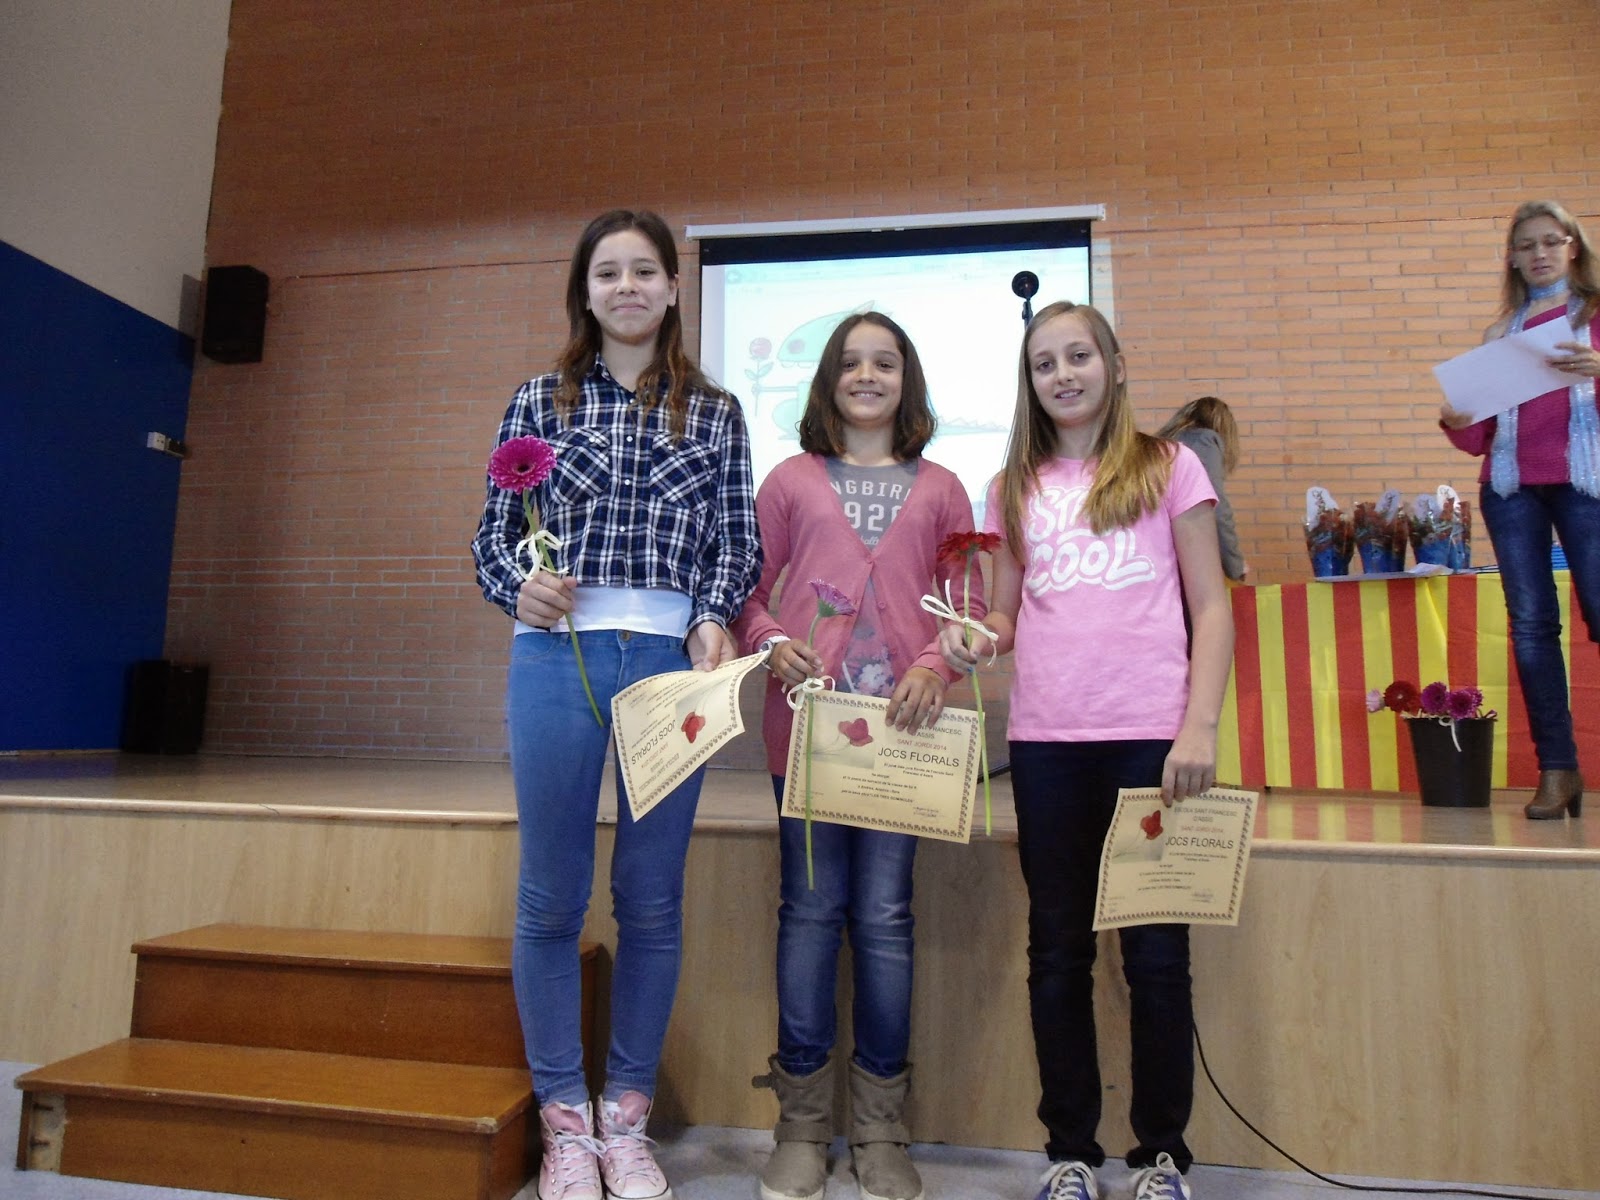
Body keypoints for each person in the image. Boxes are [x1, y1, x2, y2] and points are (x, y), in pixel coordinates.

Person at [471, 208, 762, 1200]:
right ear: (585, 292)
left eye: (645, 270)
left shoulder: (715, 410)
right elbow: (492, 534)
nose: (627, 286)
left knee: (650, 895)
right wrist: (519, 584)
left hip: (671, 668)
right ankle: (566, 1123)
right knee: (551, 896)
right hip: (555, 659)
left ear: (675, 289)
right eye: (608, 272)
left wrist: (713, 615)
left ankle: (626, 1120)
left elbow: (735, 538)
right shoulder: (536, 399)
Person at [941, 301, 1233, 1200]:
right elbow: (1005, 614)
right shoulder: (1011, 485)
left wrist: (1199, 725)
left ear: (1113, 364)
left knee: (1156, 956)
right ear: (1029, 383)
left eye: (1078, 356)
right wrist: (977, 638)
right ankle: (1070, 1150)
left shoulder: (1169, 466)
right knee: (1058, 951)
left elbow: (1211, 606)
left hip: (1150, 742)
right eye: (1044, 363)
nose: (1062, 374)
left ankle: (1161, 1156)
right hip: (1047, 745)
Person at [732, 312, 980, 1200]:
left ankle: (880, 1128)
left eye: (885, 362)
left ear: (907, 380)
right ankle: (801, 1124)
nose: (867, 376)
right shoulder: (789, 481)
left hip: (904, 745)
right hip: (807, 736)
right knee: (808, 911)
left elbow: (967, 610)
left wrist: (934, 665)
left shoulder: (944, 489)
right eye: (850, 363)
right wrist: (770, 644)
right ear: (828, 380)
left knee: (883, 918)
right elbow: (746, 593)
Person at [1439, 199, 1599, 821]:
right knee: (1531, 629)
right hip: (1510, 490)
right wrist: (1456, 417)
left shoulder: (1594, 316)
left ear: (1573, 247)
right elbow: (1478, 437)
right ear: (1511, 258)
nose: (1539, 254)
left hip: (1586, 485)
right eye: (1526, 245)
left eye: (1551, 241)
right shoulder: (1499, 334)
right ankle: (1557, 770)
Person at [1156, 397, 1248, 582]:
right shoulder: (1204, 440)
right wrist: (1235, 565)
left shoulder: (1163, 445)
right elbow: (1215, 507)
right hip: (1183, 558)